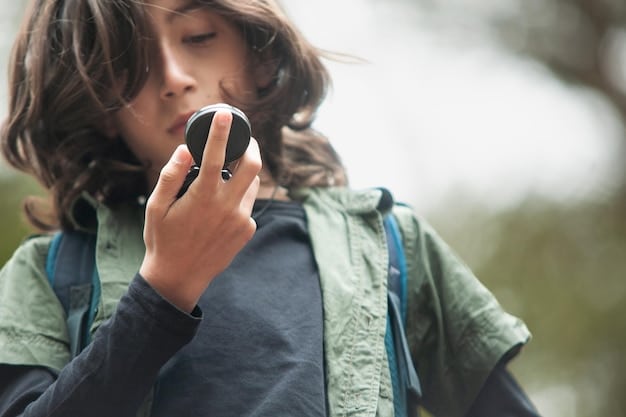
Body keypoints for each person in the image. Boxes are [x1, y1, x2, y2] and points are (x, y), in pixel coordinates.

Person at [0, 0, 541, 416]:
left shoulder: (392, 245)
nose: (173, 77)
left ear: (259, 55)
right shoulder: (46, 275)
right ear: (99, 108)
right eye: (131, 62)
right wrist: (162, 291)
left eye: (200, 37)